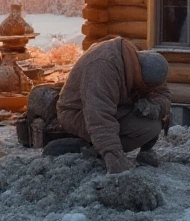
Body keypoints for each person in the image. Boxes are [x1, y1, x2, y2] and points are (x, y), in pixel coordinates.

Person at [46, 36, 172, 173]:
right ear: (140, 76)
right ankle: (92, 148)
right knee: (149, 128)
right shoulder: (103, 67)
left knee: (155, 118)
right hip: (77, 111)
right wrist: (114, 155)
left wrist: (157, 106)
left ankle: (141, 150)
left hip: (110, 106)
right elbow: (98, 116)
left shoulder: (137, 60)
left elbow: (162, 92)